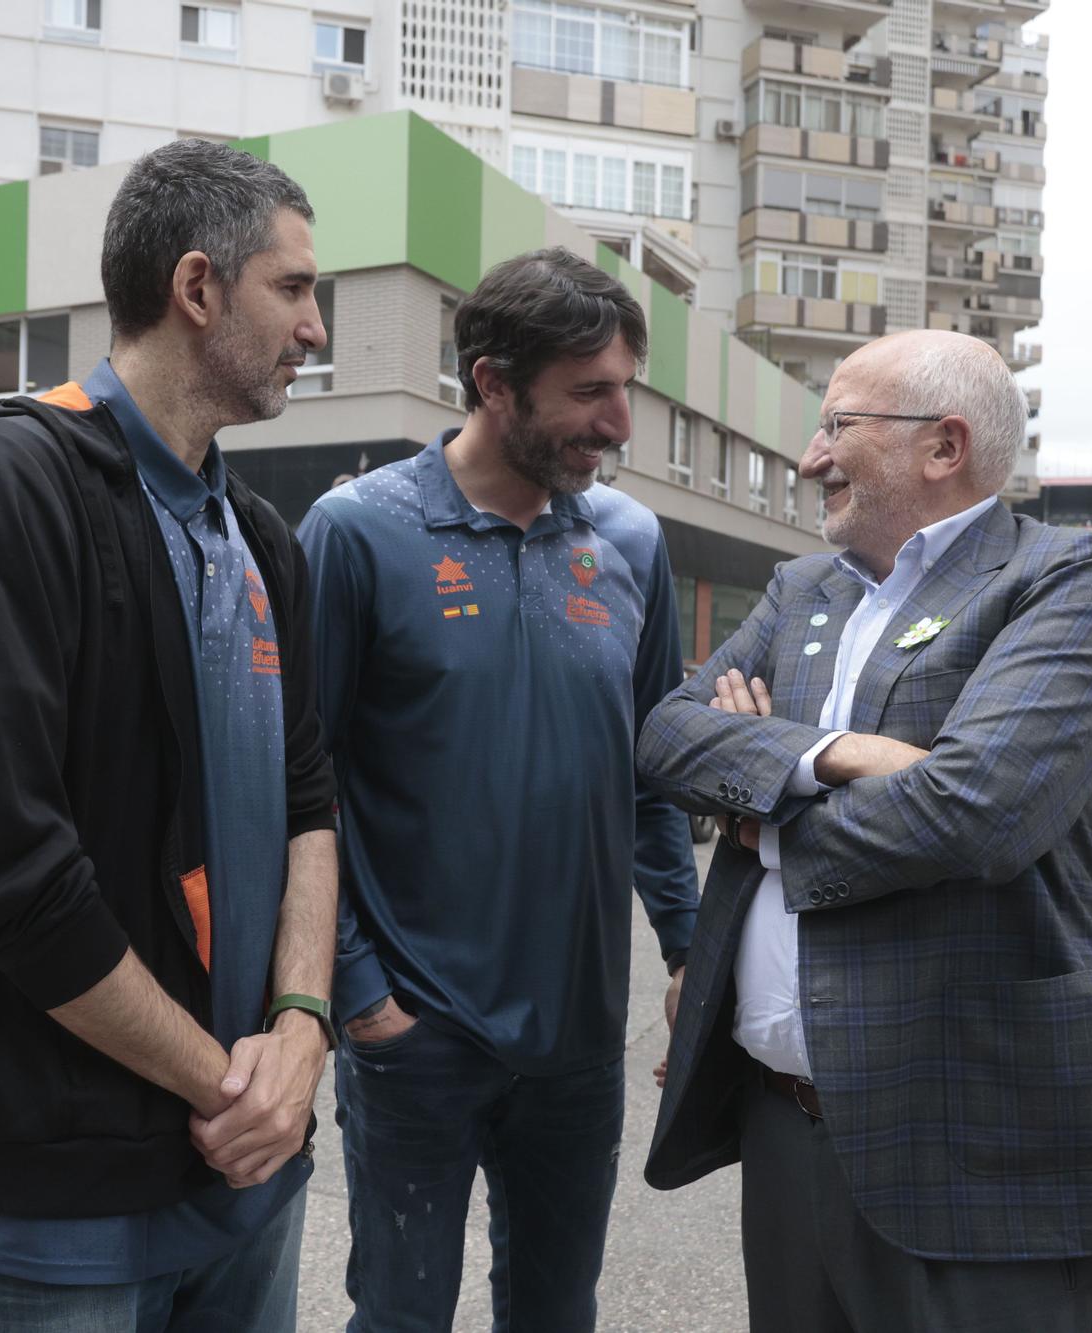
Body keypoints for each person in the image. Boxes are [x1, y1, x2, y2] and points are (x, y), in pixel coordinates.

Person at [639, 330, 1092, 1331]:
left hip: (974, 1139)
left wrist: (756, 816)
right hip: (785, 1126)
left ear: (941, 447)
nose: (808, 457)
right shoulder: (800, 590)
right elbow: (667, 734)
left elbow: (973, 812)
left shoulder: (1065, 578)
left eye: (834, 427)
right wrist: (834, 754)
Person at [0, 139, 340, 1332]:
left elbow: (308, 802)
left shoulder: (260, 539)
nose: (318, 329)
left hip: (245, 1183)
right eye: (293, 289)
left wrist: (298, 1032)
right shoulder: (4, 487)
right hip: (53, 1219)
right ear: (197, 289)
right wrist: (234, 1089)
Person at [296, 248, 701, 1333]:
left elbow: (652, 769)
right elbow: (297, 785)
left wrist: (685, 947)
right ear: (490, 382)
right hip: (414, 1032)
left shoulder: (628, 542)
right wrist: (357, 991)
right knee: (400, 1316)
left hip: (576, 1036)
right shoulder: (355, 532)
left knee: (557, 1313)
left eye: (625, 390)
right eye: (588, 394)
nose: (618, 425)